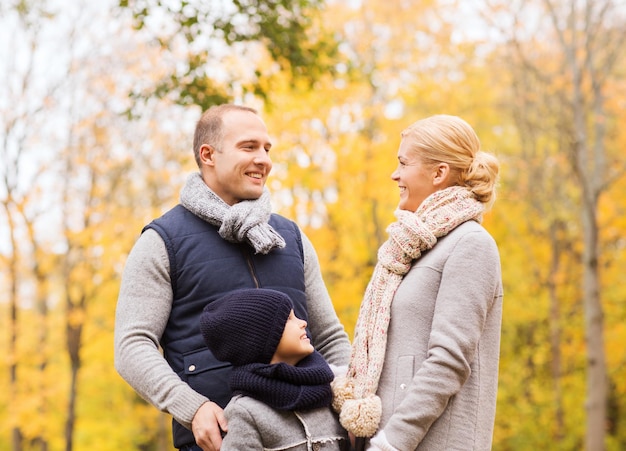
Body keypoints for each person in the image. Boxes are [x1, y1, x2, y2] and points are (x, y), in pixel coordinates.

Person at [114, 104, 351, 451]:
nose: (264, 159)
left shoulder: (292, 237)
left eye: (267, 149)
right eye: (249, 146)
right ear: (208, 154)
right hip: (220, 441)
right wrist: (191, 408)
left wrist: (350, 404)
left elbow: (330, 338)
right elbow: (132, 346)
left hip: (314, 438)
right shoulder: (162, 242)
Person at [331, 114, 503, 450]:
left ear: (438, 173)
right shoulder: (412, 248)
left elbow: (449, 360)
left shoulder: (471, 244)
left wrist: (393, 442)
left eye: (403, 163)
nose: (394, 174)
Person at [199, 288, 351, 450]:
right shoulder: (245, 413)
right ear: (258, 341)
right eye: (288, 319)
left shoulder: (330, 393)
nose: (303, 323)